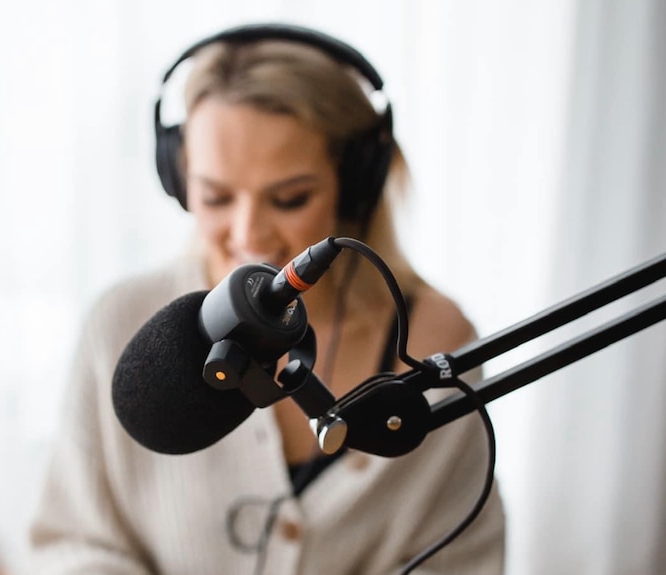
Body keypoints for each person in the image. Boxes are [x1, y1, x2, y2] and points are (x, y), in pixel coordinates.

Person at [29, 23, 505, 575]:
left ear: (356, 184)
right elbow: (70, 545)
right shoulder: (119, 324)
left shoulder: (440, 344)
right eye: (216, 196)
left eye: (289, 198)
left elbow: (462, 558)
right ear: (178, 181)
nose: (248, 232)